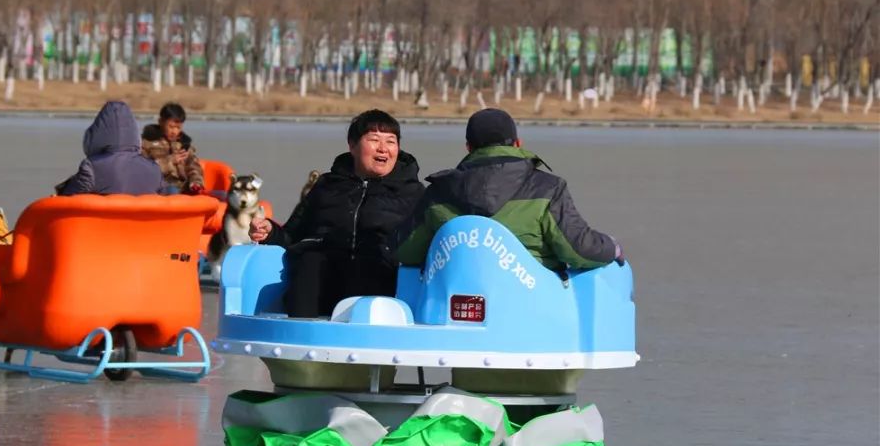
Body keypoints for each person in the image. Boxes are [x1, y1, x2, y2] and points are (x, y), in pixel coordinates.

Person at [398, 108, 622, 272]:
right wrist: (612, 247)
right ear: (517, 143)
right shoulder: (548, 188)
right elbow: (579, 250)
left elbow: (406, 252)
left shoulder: (438, 192)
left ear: (469, 147)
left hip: (453, 308)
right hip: (531, 307)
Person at [249, 109, 424, 318]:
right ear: (352, 145)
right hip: (323, 281)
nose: (383, 149)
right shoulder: (327, 186)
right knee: (311, 259)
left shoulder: (413, 192)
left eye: (391, 141)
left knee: (373, 261)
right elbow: (293, 235)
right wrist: (269, 232)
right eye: (374, 140)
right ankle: (302, 333)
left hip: (380, 286)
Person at [56, 101, 168, 196]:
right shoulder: (154, 169)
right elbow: (166, 200)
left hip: (102, 221)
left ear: (98, 132)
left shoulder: (92, 167)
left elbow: (66, 197)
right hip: (142, 221)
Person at [141, 102, 205, 194]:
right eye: (171, 127)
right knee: (172, 190)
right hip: (160, 187)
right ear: (161, 122)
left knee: (220, 194)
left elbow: (193, 167)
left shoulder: (184, 144)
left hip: (183, 187)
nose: (174, 131)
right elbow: (143, 171)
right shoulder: (147, 143)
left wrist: (196, 183)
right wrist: (170, 161)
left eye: (178, 127)